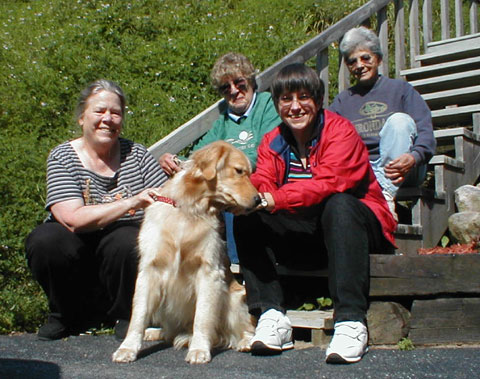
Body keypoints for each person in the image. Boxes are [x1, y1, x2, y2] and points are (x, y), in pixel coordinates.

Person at [233, 63, 396, 363]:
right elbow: (263, 183)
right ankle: (270, 315)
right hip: (308, 232)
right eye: (286, 99)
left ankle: (350, 320)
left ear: (318, 100)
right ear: (277, 104)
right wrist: (244, 198)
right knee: (248, 215)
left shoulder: (341, 131)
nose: (295, 106)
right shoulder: (272, 141)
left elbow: (331, 184)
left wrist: (273, 199)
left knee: (339, 204)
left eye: (304, 97)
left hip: (357, 228)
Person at [25, 80, 168, 341]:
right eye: (99, 111)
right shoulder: (62, 157)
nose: (108, 119)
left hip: (121, 252)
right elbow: (72, 220)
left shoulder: (137, 155)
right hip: (77, 246)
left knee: (128, 240)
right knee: (46, 240)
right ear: (81, 117)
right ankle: (65, 314)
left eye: (115, 113)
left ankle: (129, 315)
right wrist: (131, 202)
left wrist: (184, 181)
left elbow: (167, 200)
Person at [159, 52, 281, 263]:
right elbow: (200, 153)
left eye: (239, 83)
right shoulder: (224, 119)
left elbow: (265, 149)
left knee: (230, 194)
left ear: (250, 81)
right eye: (226, 88)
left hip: (262, 179)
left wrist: (224, 169)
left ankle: (237, 265)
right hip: (229, 181)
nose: (234, 91)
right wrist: (177, 162)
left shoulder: (266, 105)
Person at [329, 26, 436, 220]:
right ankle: (379, 195)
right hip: (364, 171)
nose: (359, 65)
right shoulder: (342, 101)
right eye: (352, 61)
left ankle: (383, 196)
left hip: (405, 168)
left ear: (378, 58)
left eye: (365, 58)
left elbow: (426, 131)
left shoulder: (402, 90)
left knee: (399, 121)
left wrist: (414, 156)